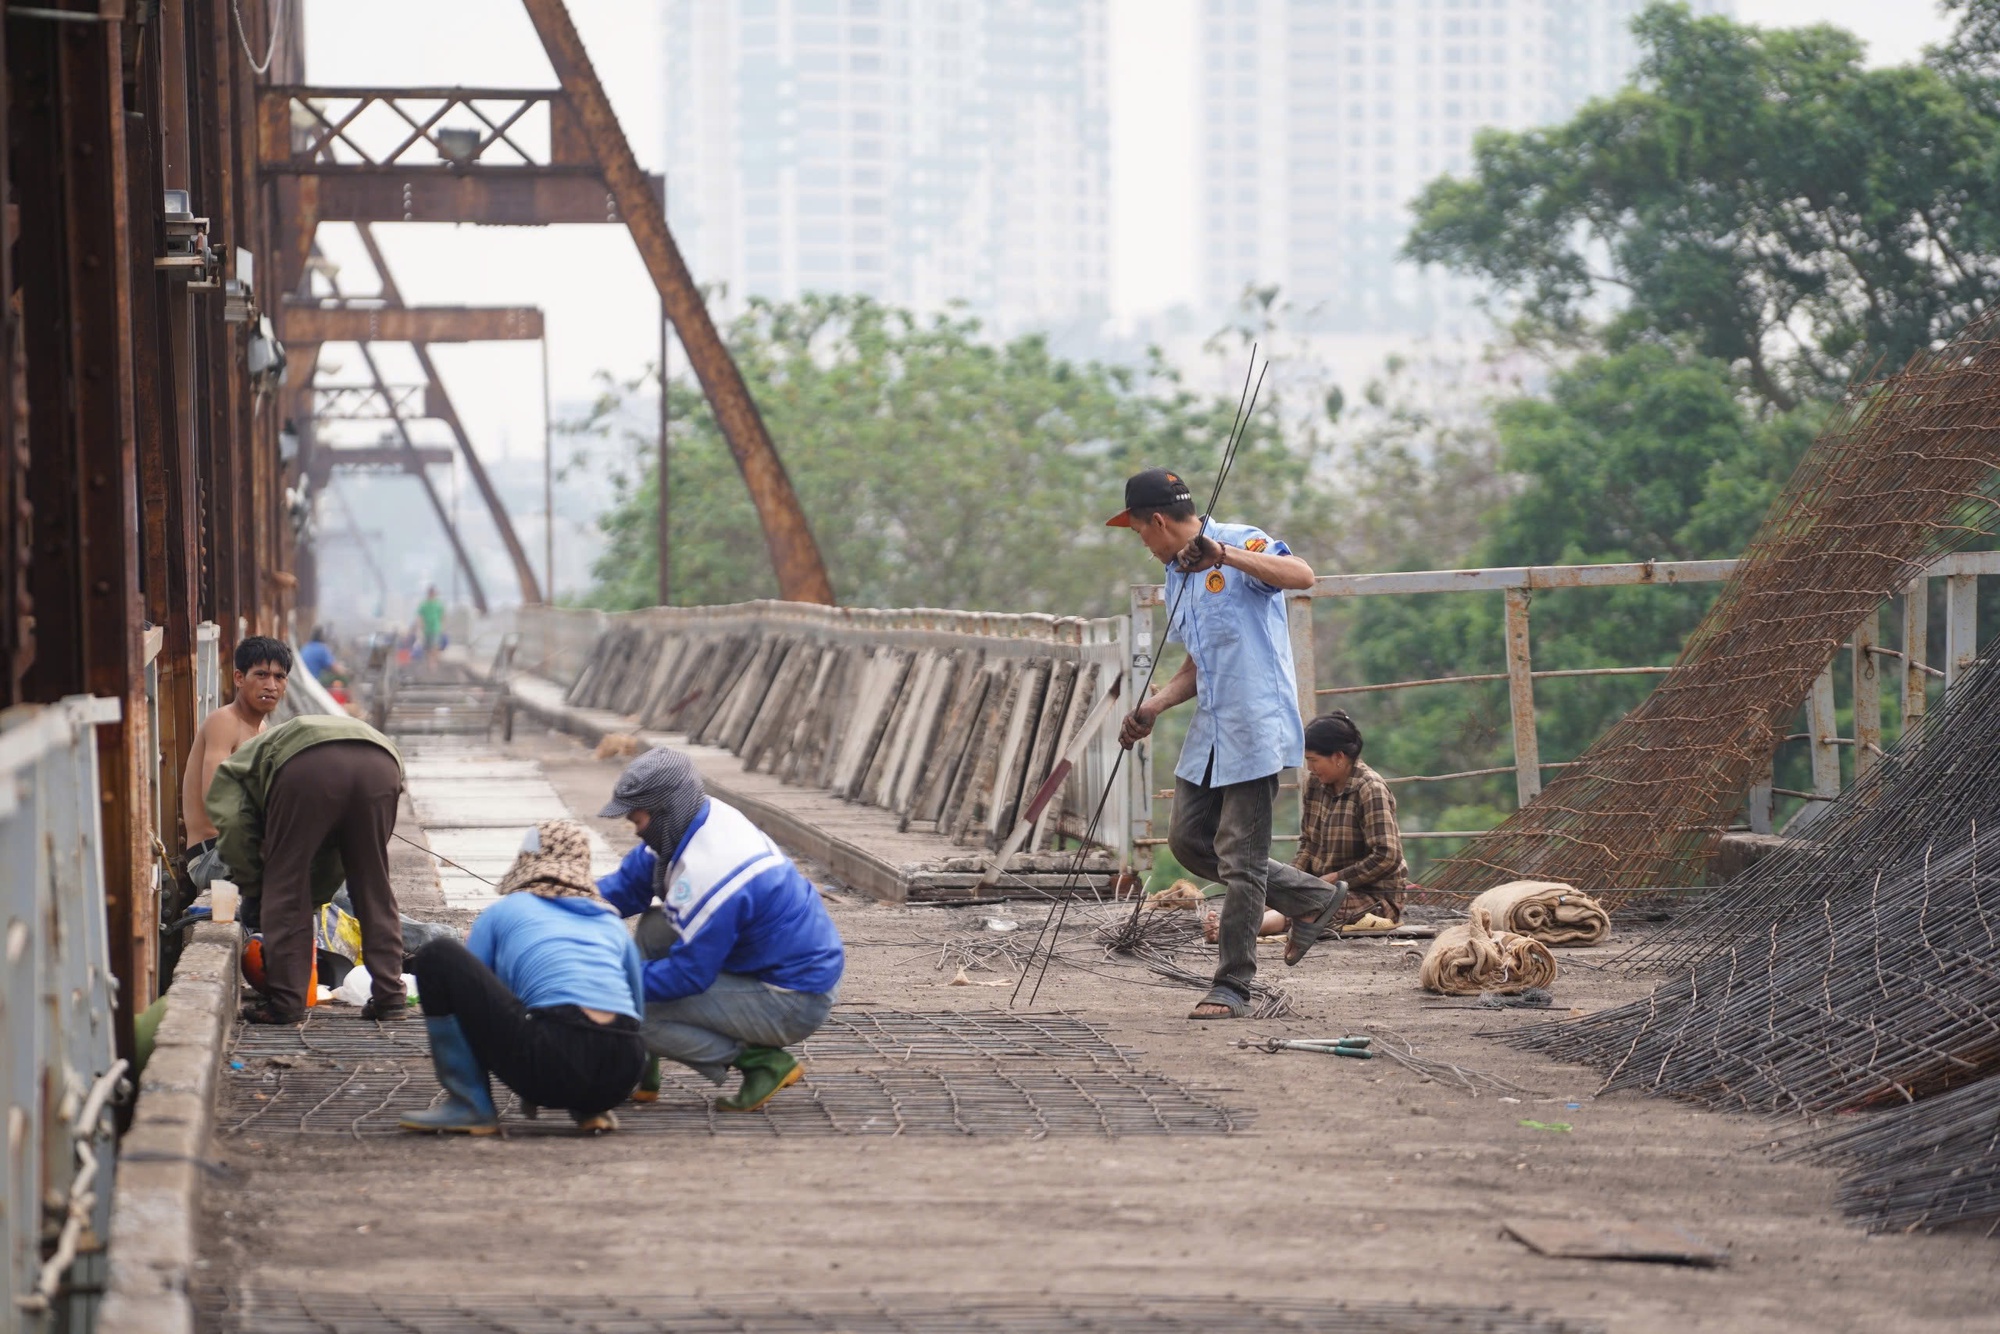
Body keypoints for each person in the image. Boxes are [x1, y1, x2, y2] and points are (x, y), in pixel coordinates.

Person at [1110, 467, 1346, 1019]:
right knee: (1190, 840)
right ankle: (1313, 898)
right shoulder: (1176, 578)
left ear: (1160, 521)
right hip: (1212, 728)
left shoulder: (1240, 541)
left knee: (1242, 860)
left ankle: (1232, 985)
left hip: (1255, 726)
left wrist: (1224, 555)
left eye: (1140, 531)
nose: (1141, 543)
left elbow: (1302, 574)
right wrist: (1154, 706)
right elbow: (1199, 662)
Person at [595, 748, 845, 1112]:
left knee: (627, 1011)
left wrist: (605, 980)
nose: (635, 830)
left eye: (638, 819)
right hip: (769, 961)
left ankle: (760, 1063)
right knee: (654, 927)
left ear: (665, 812)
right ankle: (643, 1065)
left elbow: (687, 976)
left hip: (794, 997)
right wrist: (563, 901)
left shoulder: (711, 870)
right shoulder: (692, 822)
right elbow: (628, 885)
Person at [400, 820, 646, 1136]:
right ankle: (591, 1109)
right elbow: (637, 1011)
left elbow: (474, 998)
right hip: (622, 1072)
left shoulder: (504, 912)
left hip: (548, 1063)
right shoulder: (612, 923)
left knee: (439, 955)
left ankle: (468, 1104)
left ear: (526, 861)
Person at [208, 713, 407, 1024]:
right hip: (382, 763)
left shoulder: (234, 773)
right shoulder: (272, 749)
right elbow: (333, 855)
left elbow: (233, 825)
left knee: (285, 884)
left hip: (310, 769)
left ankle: (287, 1002)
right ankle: (391, 996)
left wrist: (252, 877)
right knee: (373, 885)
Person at [1204, 711, 1409, 944]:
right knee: (1275, 894)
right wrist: (1288, 882)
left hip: (1373, 898)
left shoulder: (1370, 789)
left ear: (1338, 757)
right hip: (1320, 886)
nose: (1310, 767)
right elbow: (1309, 843)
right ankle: (1232, 921)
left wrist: (1336, 878)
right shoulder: (1315, 784)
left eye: (1313, 760)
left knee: (1309, 909)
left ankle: (1233, 931)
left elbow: (1387, 856)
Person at [180, 636, 292, 893]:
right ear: (239, 678)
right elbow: (215, 799)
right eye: (261, 674)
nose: (271, 685)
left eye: (279, 677)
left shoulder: (264, 730)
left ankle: (387, 930)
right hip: (212, 857)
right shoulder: (224, 721)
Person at [417, 587, 445, 656]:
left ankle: (433, 662)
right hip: (426, 629)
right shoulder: (424, 604)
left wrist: (442, 626)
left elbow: (442, 616)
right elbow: (420, 616)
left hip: (435, 628)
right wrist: (421, 625)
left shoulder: (438, 604)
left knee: (435, 645)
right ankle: (430, 661)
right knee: (427, 647)